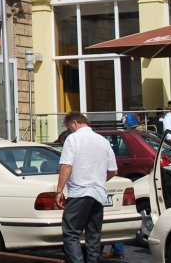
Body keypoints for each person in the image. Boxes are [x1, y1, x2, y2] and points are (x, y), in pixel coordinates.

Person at [55, 112, 118, 263]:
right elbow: (113, 171)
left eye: (69, 127)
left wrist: (59, 191)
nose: (70, 130)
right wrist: (98, 179)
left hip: (79, 192)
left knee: (70, 233)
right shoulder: (103, 141)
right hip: (98, 194)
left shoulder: (73, 138)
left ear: (75, 123)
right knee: (94, 235)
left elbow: (66, 165)